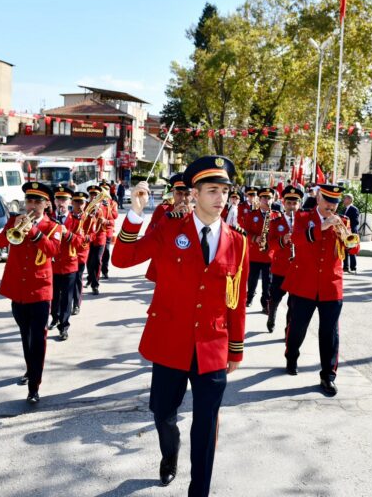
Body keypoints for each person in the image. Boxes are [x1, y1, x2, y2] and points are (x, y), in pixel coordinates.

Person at [112, 155, 248, 496]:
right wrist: (136, 214)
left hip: (212, 346)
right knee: (162, 413)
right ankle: (169, 454)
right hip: (170, 341)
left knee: (206, 426)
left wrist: (236, 347)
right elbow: (121, 258)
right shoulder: (170, 228)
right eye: (212, 190)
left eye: (225, 191)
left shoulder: (238, 241)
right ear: (196, 193)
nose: (220, 198)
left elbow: (237, 299)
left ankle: (198, 490)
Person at [0, 182, 62, 403]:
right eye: (29, 200)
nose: (31, 205)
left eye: (37, 201)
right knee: (26, 336)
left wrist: (33, 232)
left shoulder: (54, 227)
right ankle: (30, 368)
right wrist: (16, 226)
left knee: (38, 339)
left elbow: (53, 250)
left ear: (46, 204)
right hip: (17, 289)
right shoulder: (14, 222)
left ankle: (34, 385)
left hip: (40, 290)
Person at [283, 184, 347, 396]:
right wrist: (322, 227)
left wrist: (344, 233)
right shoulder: (302, 217)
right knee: (298, 327)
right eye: (328, 201)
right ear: (319, 198)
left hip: (331, 285)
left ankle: (328, 375)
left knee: (330, 333)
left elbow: (353, 248)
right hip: (305, 284)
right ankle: (292, 355)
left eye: (335, 203)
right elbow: (297, 239)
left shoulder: (343, 221)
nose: (331, 206)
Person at [48, 185, 85, 341]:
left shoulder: (76, 220)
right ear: (55, 201)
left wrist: (67, 233)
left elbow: (81, 242)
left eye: (64, 199)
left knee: (67, 298)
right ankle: (55, 317)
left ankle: (64, 326)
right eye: (58, 199)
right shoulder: (49, 218)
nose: (61, 202)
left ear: (70, 202)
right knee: (54, 296)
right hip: (53, 264)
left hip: (70, 264)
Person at [266, 185, 303, 332]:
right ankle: (271, 317)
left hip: (296, 268)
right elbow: (271, 245)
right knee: (275, 298)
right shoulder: (275, 223)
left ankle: (289, 329)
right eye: (289, 203)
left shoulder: (303, 223)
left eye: (295, 203)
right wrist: (284, 239)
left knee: (293, 303)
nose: (292, 206)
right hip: (280, 268)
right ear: (283, 203)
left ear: (299, 204)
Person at [244, 186, 281, 313]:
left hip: (269, 255)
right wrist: (255, 238)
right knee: (252, 279)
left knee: (268, 282)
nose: (267, 200)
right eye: (264, 198)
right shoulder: (251, 214)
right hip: (254, 254)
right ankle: (249, 298)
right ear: (259, 199)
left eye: (269, 198)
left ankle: (265, 304)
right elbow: (245, 232)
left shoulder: (277, 216)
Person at [70, 191, 93, 315]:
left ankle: (76, 304)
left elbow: (94, 233)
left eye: (82, 202)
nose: (79, 205)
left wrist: (89, 237)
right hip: (68, 252)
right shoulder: (67, 217)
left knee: (78, 278)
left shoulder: (89, 217)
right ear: (72, 202)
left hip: (81, 252)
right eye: (76, 202)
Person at [85, 185, 110, 295]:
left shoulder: (105, 207)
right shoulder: (85, 206)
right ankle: (91, 278)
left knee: (97, 261)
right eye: (92, 195)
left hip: (100, 237)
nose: (94, 197)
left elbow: (112, 221)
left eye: (96, 195)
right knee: (89, 262)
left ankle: (95, 284)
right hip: (88, 238)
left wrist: (105, 221)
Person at [100, 182, 119, 280]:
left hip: (107, 230)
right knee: (95, 254)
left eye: (106, 189)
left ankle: (105, 270)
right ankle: (95, 273)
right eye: (103, 189)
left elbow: (115, 216)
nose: (104, 191)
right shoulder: (97, 201)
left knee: (106, 251)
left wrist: (108, 207)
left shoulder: (113, 203)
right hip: (96, 231)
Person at [340, 193, 359, 274]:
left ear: (350, 200)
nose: (343, 200)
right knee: (345, 250)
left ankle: (353, 267)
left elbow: (355, 222)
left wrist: (349, 229)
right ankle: (345, 267)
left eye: (345, 198)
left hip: (351, 232)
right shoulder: (344, 209)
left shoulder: (354, 209)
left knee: (351, 249)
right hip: (345, 232)